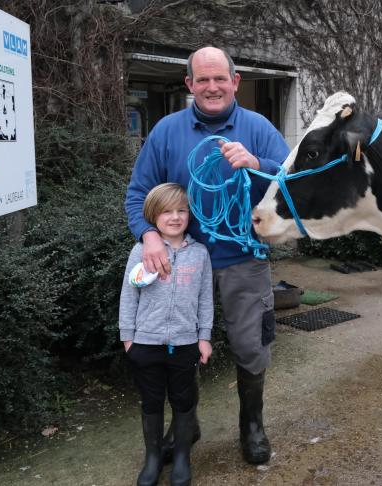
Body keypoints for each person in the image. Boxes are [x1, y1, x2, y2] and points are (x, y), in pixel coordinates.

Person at [124, 46, 290, 465]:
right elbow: (137, 195)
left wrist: (257, 163)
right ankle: (186, 423)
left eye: (220, 79)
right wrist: (149, 236)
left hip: (243, 259)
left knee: (250, 345)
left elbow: (292, 185)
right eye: (203, 80)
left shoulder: (258, 128)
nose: (212, 87)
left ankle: (252, 425)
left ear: (235, 82)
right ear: (189, 85)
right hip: (180, 261)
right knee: (179, 345)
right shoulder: (166, 131)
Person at [119, 183, 214, 486]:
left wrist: (204, 336)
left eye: (181, 210)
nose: (175, 217)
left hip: (186, 344)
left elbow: (205, 299)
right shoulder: (141, 251)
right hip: (145, 344)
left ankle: (182, 458)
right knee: (151, 401)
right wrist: (128, 339)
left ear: (189, 214)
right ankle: (153, 458)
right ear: (153, 215)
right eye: (167, 211)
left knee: (184, 401)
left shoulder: (199, 254)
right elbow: (129, 296)